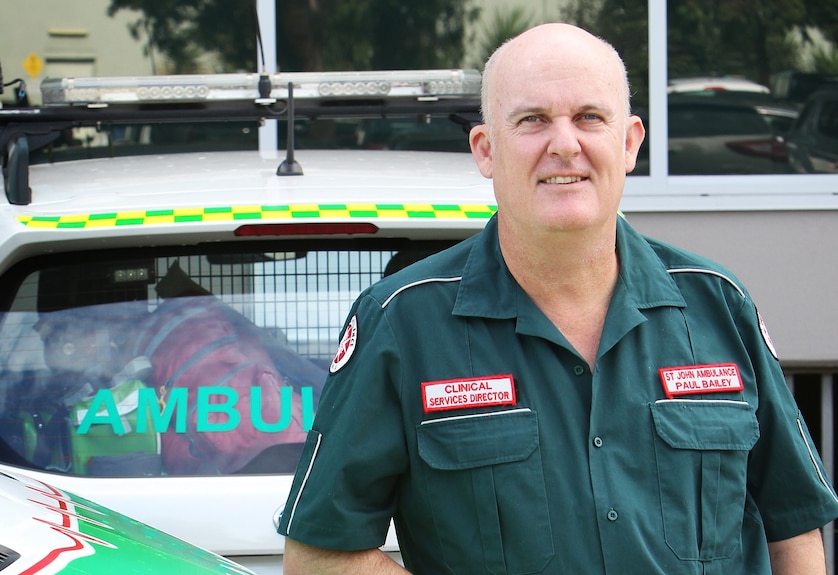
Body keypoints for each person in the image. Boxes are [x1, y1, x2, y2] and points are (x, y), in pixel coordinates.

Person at [277, 23, 838, 574]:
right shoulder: (401, 323)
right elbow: (319, 554)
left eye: (590, 117)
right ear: (486, 150)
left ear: (629, 143)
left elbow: (792, 525)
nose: (565, 145)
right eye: (533, 120)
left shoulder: (719, 305)